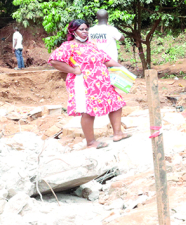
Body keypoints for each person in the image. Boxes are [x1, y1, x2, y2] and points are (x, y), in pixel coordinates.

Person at [48, 19, 131, 149]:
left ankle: (118, 133)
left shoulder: (92, 45)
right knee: (87, 111)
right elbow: (54, 61)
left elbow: (106, 59)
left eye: (86, 29)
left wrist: (122, 69)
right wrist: (73, 70)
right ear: (73, 31)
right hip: (84, 84)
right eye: (81, 29)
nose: (85, 31)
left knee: (115, 103)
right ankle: (91, 142)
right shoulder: (68, 46)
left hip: (102, 83)